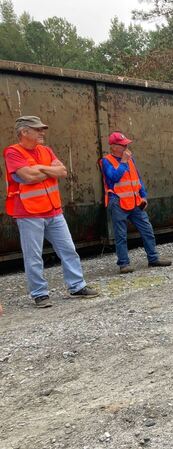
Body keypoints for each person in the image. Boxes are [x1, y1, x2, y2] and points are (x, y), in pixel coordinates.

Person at [3, 116, 99, 308]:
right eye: (38, 130)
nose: (42, 133)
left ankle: (77, 286)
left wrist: (39, 168)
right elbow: (28, 177)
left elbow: (62, 172)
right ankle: (40, 294)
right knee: (33, 256)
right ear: (24, 132)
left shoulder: (45, 150)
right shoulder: (13, 152)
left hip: (54, 210)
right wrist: (47, 170)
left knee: (68, 250)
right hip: (29, 213)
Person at [99, 132, 172, 273]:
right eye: (123, 145)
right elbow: (113, 178)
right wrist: (123, 162)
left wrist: (143, 196)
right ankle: (124, 264)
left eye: (126, 144)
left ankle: (153, 258)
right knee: (121, 235)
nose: (126, 147)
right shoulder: (106, 161)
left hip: (135, 202)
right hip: (118, 202)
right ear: (114, 147)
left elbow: (137, 179)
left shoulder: (130, 160)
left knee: (147, 230)